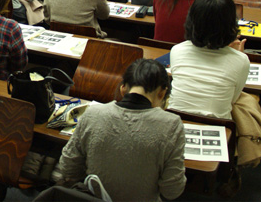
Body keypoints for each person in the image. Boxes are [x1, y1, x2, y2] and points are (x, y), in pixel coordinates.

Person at [56, 59, 186, 202]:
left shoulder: (93, 114)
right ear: (162, 93)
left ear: (123, 88)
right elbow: (172, 190)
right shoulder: (172, 125)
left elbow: (68, 167)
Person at [168, 0, 249, 119]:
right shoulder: (241, 60)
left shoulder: (177, 50)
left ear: (191, 20)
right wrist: (236, 55)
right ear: (231, 24)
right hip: (220, 128)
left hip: (177, 122)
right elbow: (232, 100)